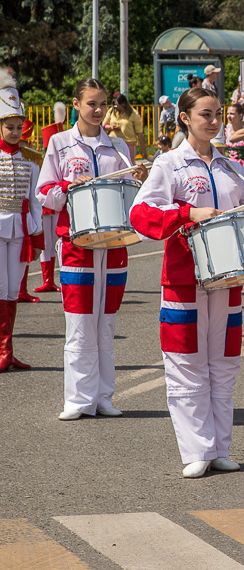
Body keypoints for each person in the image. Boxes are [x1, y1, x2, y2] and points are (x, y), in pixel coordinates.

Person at [130, 87, 244, 477]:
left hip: (229, 279)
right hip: (184, 279)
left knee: (224, 363)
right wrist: (187, 214)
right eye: (205, 114)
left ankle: (220, 447)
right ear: (184, 118)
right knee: (186, 362)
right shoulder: (169, 163)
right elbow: (141, 214)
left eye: (218, 113)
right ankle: (196, 450)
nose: (214, 121)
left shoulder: (231, 166)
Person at [38, 78, 148, 420]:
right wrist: (69, 186)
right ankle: (78, 399)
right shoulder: (59, 143)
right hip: (77, 244)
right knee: (80, 322)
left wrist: (139, 179)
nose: (99, 110)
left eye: (103, 104)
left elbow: (131, 193)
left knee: (107, 322)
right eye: (91, 104)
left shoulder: (118, 146)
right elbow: (44, 193)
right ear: (76, 104)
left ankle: (103, 396)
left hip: (115, 244)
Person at [0, 72, 44, 371]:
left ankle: (7, 350)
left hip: (20, 230)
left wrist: (38, 236)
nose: (15, 132)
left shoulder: (31, 158)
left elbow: (35, 201)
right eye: (9, 127)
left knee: (12, 291)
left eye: (19, 127)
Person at [35, 101, 68, 294]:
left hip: (57, 205)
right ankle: (47, 279)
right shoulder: (38, 159)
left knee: (55, 241)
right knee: (46, 243)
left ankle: (53, 280)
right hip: (44, 205)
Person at [103, 93, 146, 161]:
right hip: (113, 143)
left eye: (118, 105)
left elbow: (139, 132)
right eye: (114, 105)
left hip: (128, 143)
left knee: (128, 164)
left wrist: (143, 148)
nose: (116, 107)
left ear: (124, 104)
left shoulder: (133, 113)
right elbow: (104, 125)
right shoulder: (111, 111)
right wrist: (111, 127)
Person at [222, 103, 244, 167]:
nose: (228, 116)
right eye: (227, 113)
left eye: (231, 114)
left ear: (240, 116)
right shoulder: (225, 132)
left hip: (241, 167)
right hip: (227, 166)